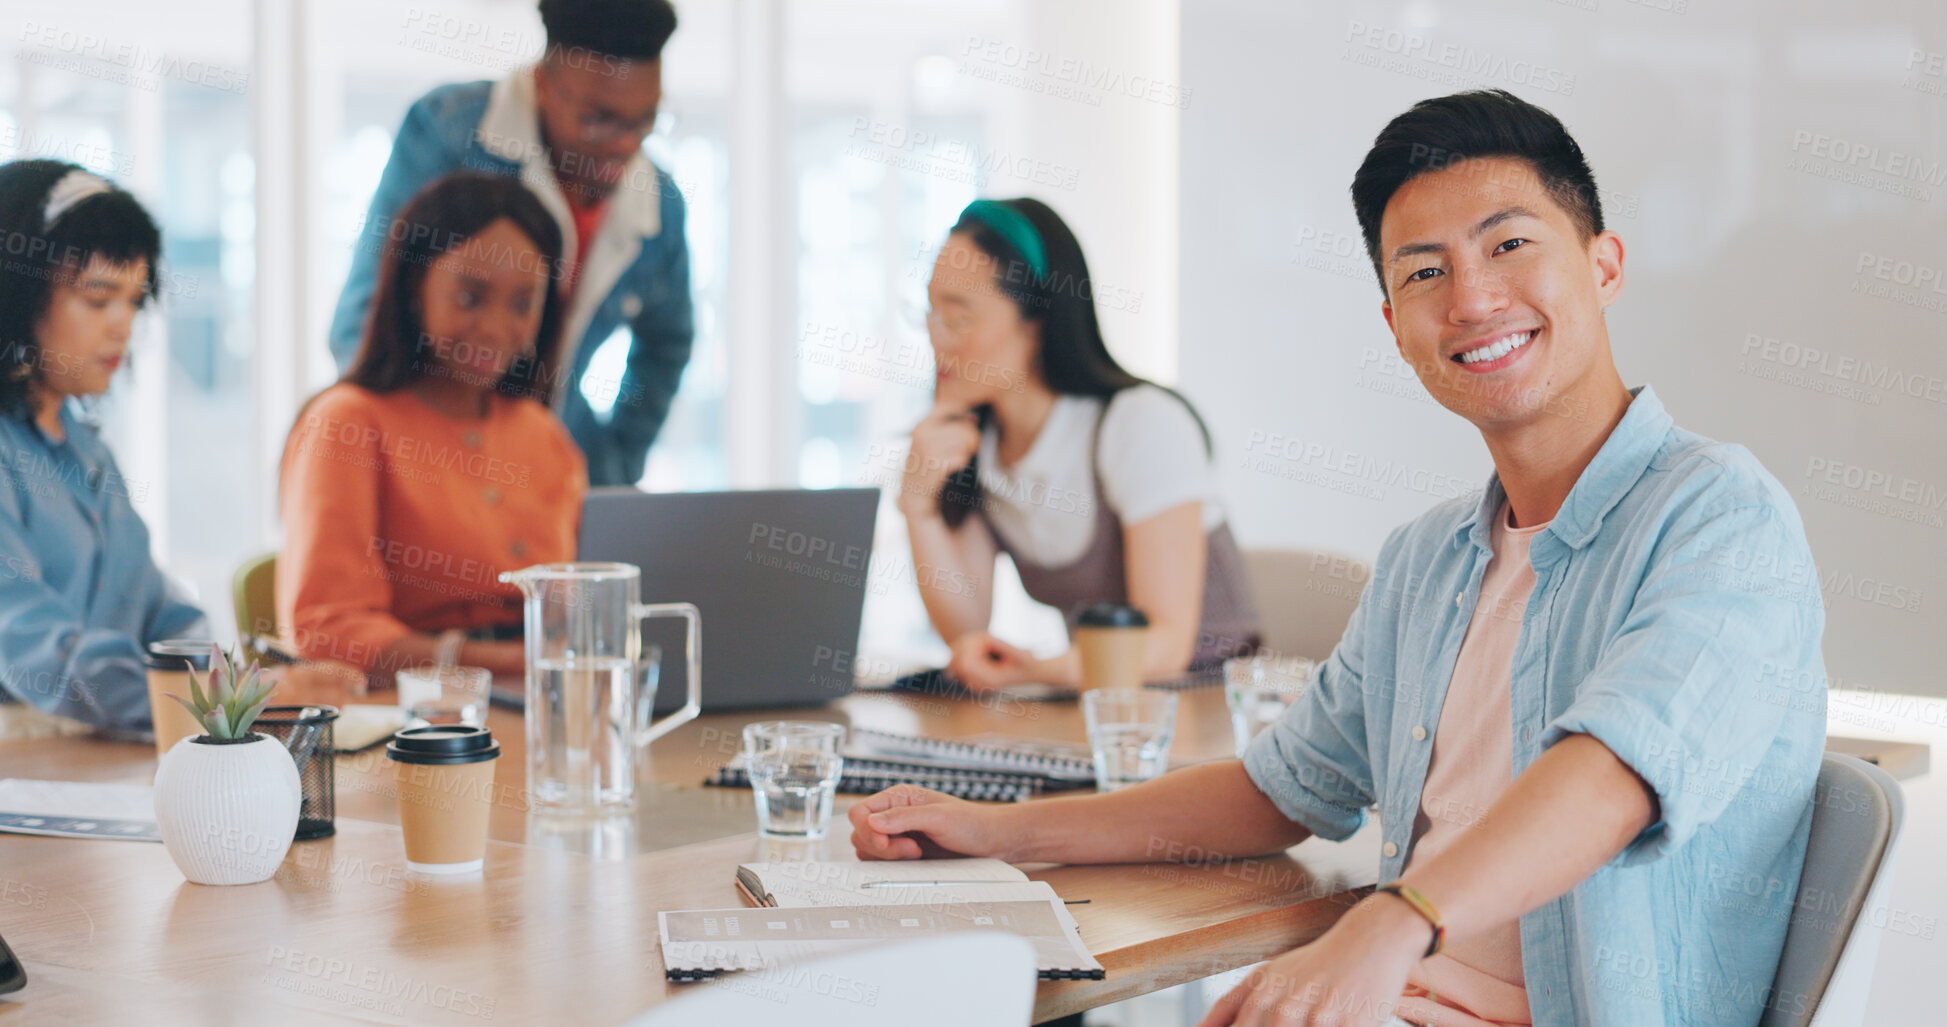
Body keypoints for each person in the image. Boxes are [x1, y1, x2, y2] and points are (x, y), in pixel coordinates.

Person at [851, 92, 1826, 1027]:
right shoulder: (1429, 558)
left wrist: (1389, 926)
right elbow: (1273, 790)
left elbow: (1613, 773)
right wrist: (1002, 829)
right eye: (1424, 273)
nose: (1474, 296)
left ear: (1605, 264)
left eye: (1510, 244)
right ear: (1394, 325)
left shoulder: (1721, 519)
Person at [895, 197, 1259, 694]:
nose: (937, 340)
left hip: (1208, 705)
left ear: (1036, 321)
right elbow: (966, 634)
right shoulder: (976, 444)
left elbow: (1169, 644)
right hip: (1098, 706)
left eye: (958, 318)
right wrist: (917, 506)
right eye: (930, 312)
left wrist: (1037, 670)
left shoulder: (1139, 423)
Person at [328, 0, 690, 487]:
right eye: (599, 119)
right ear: (543, 83)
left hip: (550, 469)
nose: (624, 145)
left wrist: (616, 466)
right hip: (429, 463)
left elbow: (667, 342)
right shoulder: (450, 134)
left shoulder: (657, 202)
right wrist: (412, 460)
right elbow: (366, 317)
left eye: (643, 122)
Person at [280, 173, 587, 685]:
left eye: (521, 304)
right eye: (470, 297)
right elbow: (329, 631)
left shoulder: (543, 433)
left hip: (542, 703)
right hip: (412, 723)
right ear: (415, 290)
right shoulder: (349, 422)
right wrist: (504, 665)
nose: (493, 329)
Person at [0, 160, 211, 734]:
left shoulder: (85, 448)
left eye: (134, 300)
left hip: (101, 759)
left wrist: (225, 675)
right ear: (18, 296)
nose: (122, 325)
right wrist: (214, 703)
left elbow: (158, 608)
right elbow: (43, 654)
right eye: (98, 300)